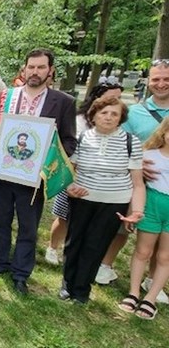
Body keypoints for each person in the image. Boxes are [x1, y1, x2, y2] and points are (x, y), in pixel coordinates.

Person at [0, 49, 77, 295]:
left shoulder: (63, 102)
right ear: (24, 69)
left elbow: (69, 141)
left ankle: (21, 274)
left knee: (28, 227)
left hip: (33, 178)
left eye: (41, 67)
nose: (35, 72)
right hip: (3, 173)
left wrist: (48, 158)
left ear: (50, 70)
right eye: (31, 67)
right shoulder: (7, 96)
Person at [60, 97, 144, 304]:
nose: (108, 117)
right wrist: (69, 188)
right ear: (94, 115)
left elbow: (138, 183)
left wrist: (136, 210)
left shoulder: (131, 142)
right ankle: (67, 284)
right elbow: (70, 170)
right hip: (83, 199)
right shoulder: (82, 138)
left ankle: (81, 289)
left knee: (95, 245)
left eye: (114, 114)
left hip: (113, 202)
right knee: (74, 242)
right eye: (104, 112)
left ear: (121, 118)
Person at [98, 60, 169, 299]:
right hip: (133, 179)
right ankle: (105, 265)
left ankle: (152, 279)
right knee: (121, 225)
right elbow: (119, 141)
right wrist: (138, 165)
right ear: (149, 81)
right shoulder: (135, 111)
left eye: (166, 79)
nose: (161, 84)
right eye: (156, 79)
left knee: (161, 234)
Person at [46, 76, 123, 267]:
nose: (116, 102)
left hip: (99, 182)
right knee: (64, 216)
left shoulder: (119, 127)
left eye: (119, 98)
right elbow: (72, 146)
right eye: (111, 97)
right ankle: (52, 247)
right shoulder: (80, 120)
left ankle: (74, 254)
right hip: (75, 175)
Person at [120, 118, 169, 319]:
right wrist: (134, 209)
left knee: (165, 256)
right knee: (143, 251)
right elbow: (137, 185)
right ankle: (133, 292)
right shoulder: (148, 155)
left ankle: (151, 297)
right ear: (164, 132)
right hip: (152, 205)